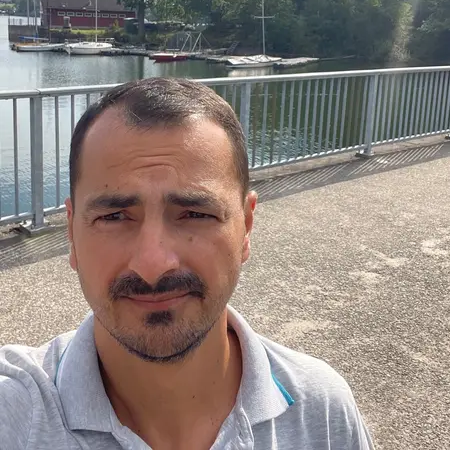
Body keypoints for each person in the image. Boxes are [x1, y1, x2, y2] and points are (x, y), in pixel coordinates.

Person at [0, 77, 374, 450]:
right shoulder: (13, 410)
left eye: (195, 214)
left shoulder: (322, 412)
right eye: (113, 217)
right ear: (71, 233)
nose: (153, 264)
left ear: (246, 226)